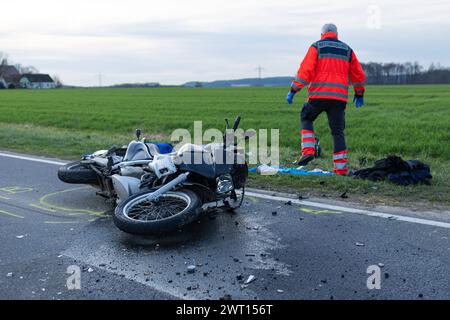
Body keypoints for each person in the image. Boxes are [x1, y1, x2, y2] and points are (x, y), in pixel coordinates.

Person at [286, 23, 366, 175]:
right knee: (337, 132)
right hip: (339, 98)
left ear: (322, 34)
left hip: (318, 95)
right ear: (337, 34)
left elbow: (305, 71)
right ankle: (341, 170)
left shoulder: (316, 47)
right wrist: (359, 93)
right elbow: (358, 74)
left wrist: (293, 90)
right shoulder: (347, 50)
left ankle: (308, 150)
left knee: (306, 117)